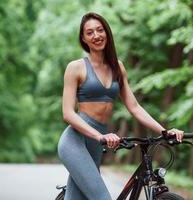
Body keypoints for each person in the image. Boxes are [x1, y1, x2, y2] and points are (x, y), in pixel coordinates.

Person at [57, 12, 184, 200]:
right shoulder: (75, 67)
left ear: (107, 32)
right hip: (75, 141)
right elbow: (68, 114)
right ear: (83, 38)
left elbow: (134, 107)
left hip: (95, 143)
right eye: (90, 32)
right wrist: (101, 136)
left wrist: (164, 131)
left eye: (100, 30)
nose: (96, 35)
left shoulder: (118, 67)